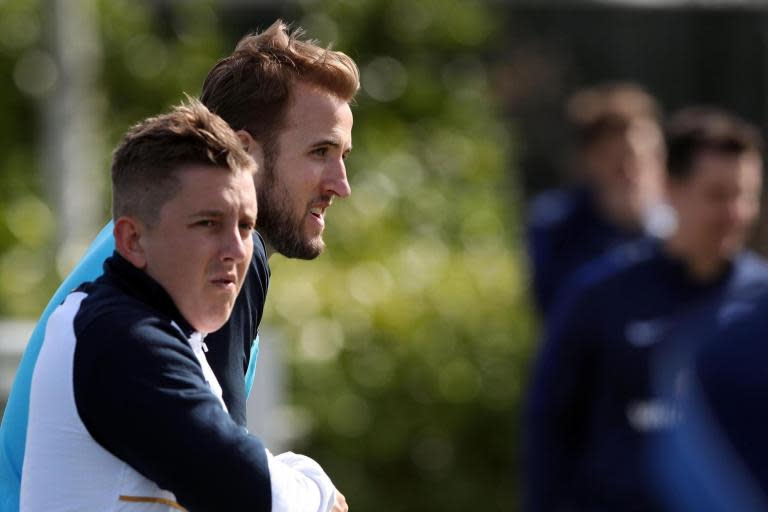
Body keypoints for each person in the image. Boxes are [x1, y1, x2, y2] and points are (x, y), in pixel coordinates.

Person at [1, 19, 357, 512]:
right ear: (245, 150)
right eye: (320, 151)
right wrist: (317, 490)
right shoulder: (186, 282)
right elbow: (235, 486)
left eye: (343, 156)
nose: (341, 183)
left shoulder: (152, 267)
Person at [524, 107, 768, 511]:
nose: (735, 214)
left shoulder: (760, 303)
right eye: (718, 195)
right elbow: (549, 428)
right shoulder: (599, 295)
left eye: (746, 196)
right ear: (670, 189)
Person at [526, 82, 667, 317]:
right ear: (590, 162)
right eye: (619, 163)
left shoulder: (681, 223)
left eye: (647, 159)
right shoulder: (558, 226)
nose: (634, 174)